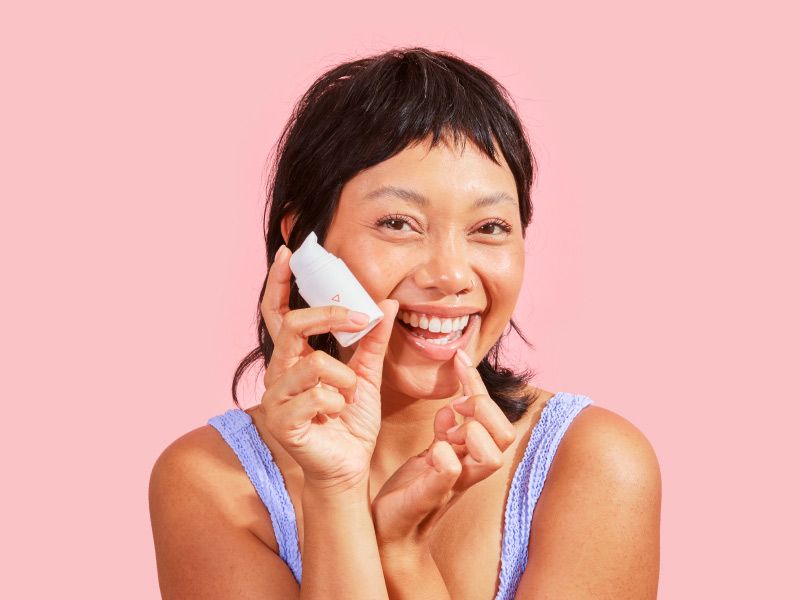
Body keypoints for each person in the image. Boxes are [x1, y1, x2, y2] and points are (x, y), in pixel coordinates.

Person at [148, 46, 661, 599]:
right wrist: (336, 492)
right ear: (303, 244)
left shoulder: (593, 466)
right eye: (399, 223)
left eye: (489, 227)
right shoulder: (210, 481)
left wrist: (403, 555)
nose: (451, 275)